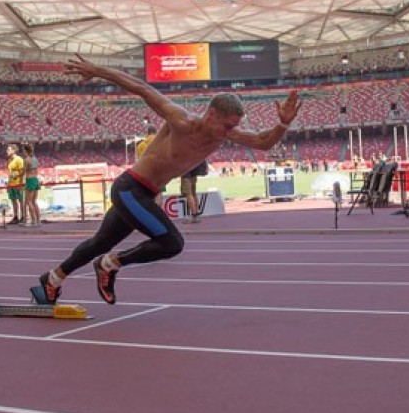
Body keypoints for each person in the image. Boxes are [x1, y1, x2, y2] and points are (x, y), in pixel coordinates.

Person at [38, 55, 301, 305]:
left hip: (144, 193)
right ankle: (109, 264)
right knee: (172, 243)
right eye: (227, 125)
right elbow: (142, 88)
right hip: (130, 188)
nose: (230, 132)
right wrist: (98, 72)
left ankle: (52, 279)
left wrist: (283, 125)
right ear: (212, 115)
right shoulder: (180, 119)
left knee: (100, 243)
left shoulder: (224, 135)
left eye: (233, 127)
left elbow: (263, 142)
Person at [180, 159, 207, 224]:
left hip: (186, 169)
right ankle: (196, 214)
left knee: (189, 194)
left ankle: (194, 215)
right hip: (194, 167)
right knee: (193, 193)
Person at [22, 143, 41, 226]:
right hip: (36, 179)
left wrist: (15, 175)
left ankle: (33, 221)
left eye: (23, 151)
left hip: (29, 180)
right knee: (34, 202)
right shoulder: (35, 159)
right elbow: (36, 170)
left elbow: (23, 172)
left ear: (26, 151)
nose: (23, 153)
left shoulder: (26, 160)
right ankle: (38, 220)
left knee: (28, 202)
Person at [6, 144, 25, 224]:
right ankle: (16, 216)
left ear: (14, 151)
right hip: (11, 184)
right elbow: (10, 173)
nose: (7, 151)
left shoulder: (19, 159)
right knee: (13, 200)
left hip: (18, 183)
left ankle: (23, 217)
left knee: (21, 200)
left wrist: (20, 183)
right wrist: (8, 183)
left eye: (9, 150)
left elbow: (22, 172)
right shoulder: (9, 160)